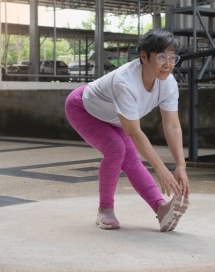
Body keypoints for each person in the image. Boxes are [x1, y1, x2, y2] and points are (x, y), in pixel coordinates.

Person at [65, 29, 190, 232]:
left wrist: (180, 166)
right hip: (83, 108)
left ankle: (161, 210)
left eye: (173, 57)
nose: (168, 64)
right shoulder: (125, 81)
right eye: (161, 57)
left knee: (131, 160)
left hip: (115, 118)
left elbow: (172, 125)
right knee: (116, 149)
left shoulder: (168, 83)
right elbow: (134, 132)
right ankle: (105, 209)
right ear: (143, 56)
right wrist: (161, 169)